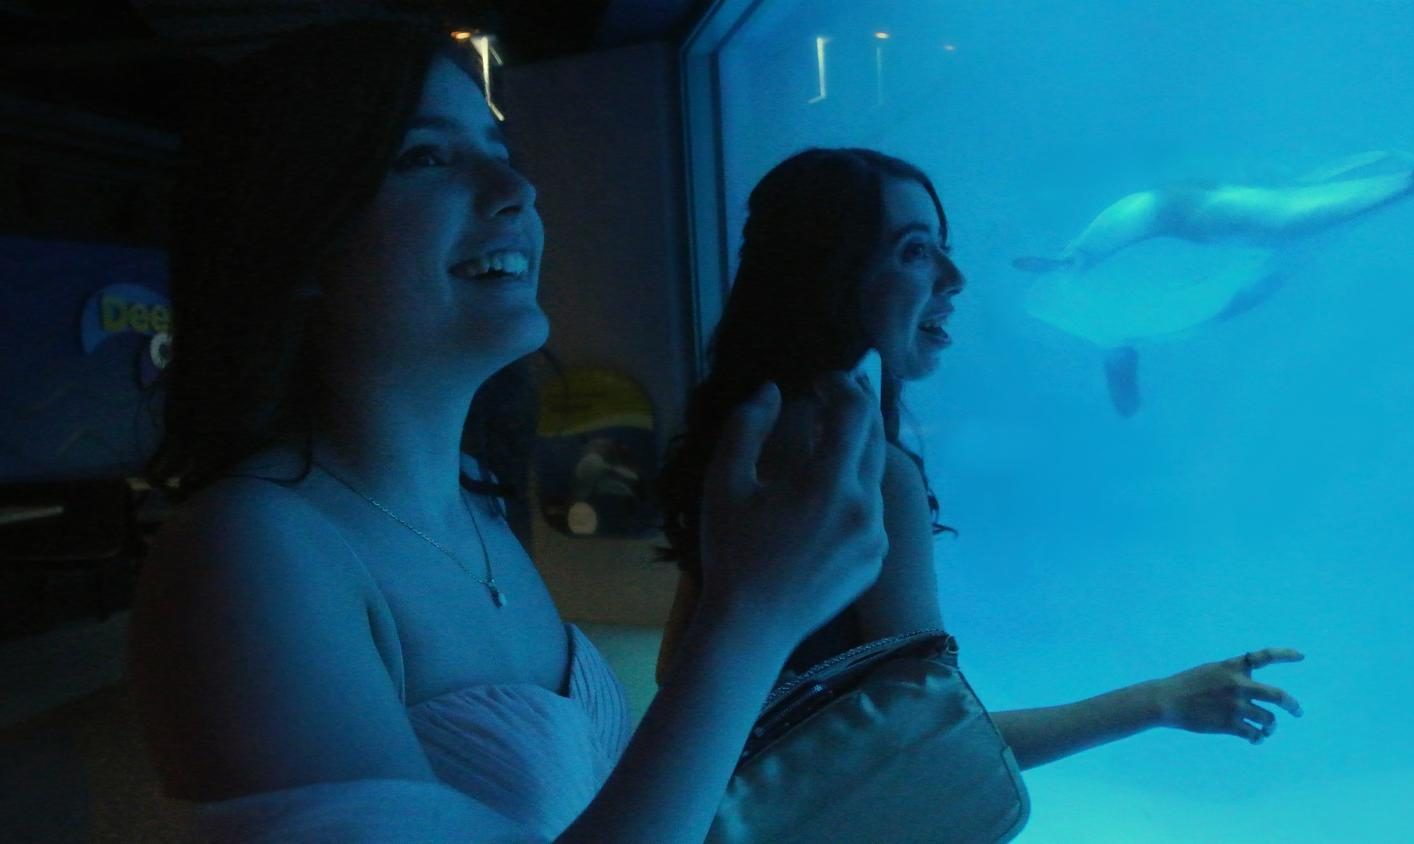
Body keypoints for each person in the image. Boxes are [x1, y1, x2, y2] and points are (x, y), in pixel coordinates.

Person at [128, 22, 890, 843]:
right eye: (426, 157)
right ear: (293, 234)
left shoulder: (476, 509)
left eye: (500, 150)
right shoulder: (247, 549)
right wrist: (752, 619)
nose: (515, 189)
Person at [657, 147, 1306, 773]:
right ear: (829, 272)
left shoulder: (740, 441)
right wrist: (1162, 700)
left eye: (946, 248)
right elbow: (938, 739)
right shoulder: (868, 477)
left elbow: (678, 676)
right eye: (915, 252)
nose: (954, 278)